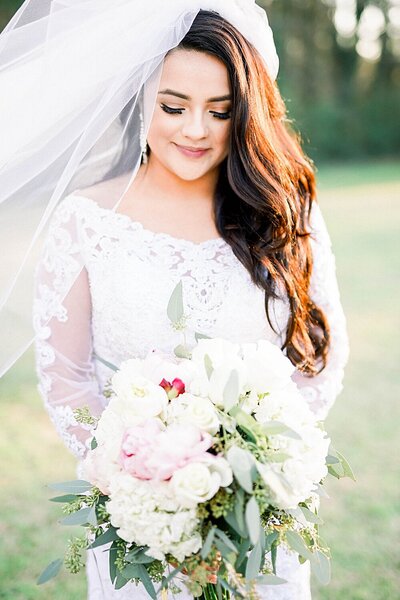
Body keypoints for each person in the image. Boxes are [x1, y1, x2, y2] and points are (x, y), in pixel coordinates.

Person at [1, 2, 349, 599]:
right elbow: (67, 382)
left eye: (220, 111)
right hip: (140, 523)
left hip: (259, 521)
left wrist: (256, 474)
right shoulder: (87, 221)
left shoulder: (285, 213)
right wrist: (142, 478)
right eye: (173, 106)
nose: (195, 129)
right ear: (139, 98)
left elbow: (322, 356)